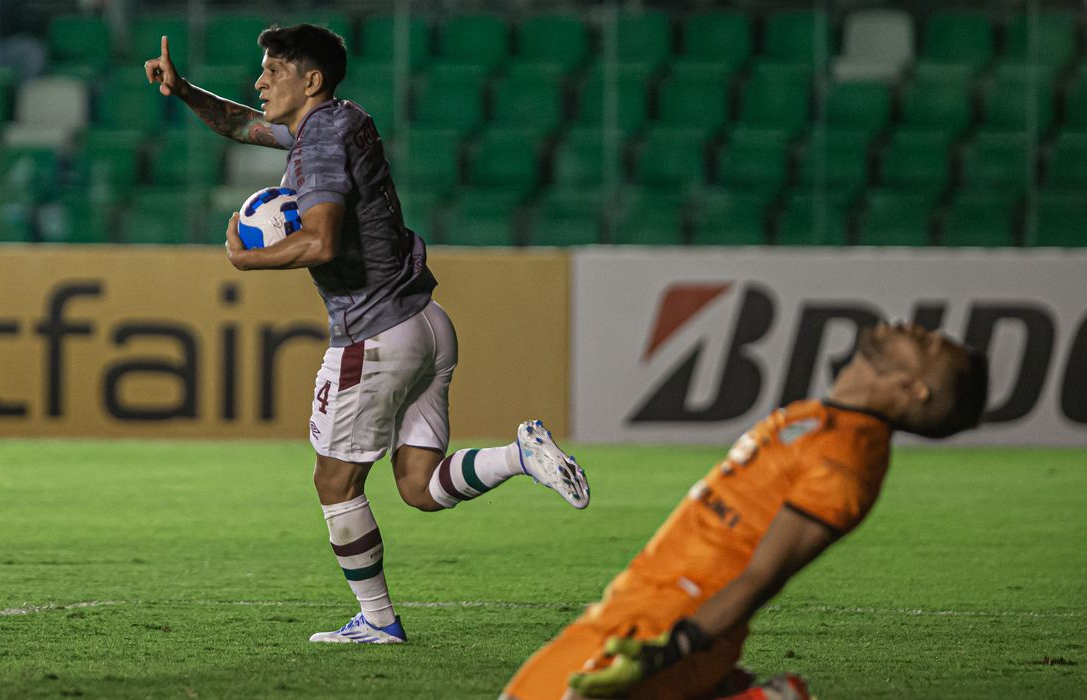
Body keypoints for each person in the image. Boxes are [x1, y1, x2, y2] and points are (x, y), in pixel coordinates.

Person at [143, 24, 589, 644]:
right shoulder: (337, 122)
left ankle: (378, 620)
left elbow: (320, 239)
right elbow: (242, 124)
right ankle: (522, 455)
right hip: (426, 323)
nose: (260, 79)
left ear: (311, 80)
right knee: (420, 487)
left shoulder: (320, 140)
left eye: (273, 69)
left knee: (334, 482)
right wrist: (186, 90)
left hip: (373, 333)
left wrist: (247, 260)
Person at [503, 322, 989, 699]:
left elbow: (763, 575)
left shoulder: (848, 460)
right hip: (630, 600)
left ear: (914, 388)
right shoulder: (824, 420)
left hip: (675, 621)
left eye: (926, 346)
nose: (913, 328)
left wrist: (673, 648)